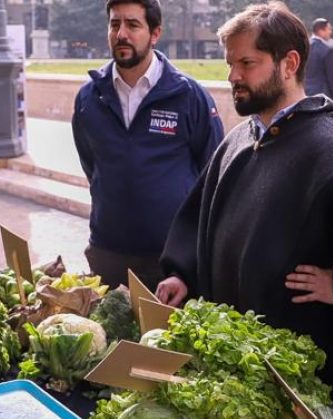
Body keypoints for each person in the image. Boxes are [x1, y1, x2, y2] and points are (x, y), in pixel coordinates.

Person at [156, 2, 333, 417]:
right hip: (236, 376)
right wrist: (182, 273)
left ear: (289, 63)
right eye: (231, 64)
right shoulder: (238, 141)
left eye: (247, 63)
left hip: (299, 390)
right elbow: (200, 220)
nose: (233, 76)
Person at [72, 0, 224, 290]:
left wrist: (191, 254)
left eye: (132, 25)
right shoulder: (89, 98)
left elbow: (213, 175)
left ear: (155, 34)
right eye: (115, 24)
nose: (121, 34)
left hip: (170, 260)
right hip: (107, 254)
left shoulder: (189, 96)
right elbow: (91, 164)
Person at [303, 18, 333, 101]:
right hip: (322, 96)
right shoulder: (326, 50)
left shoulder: (303, 47)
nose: (330, 32)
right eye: (328, 29)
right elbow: (331, 78)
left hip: (304, 94)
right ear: (320, 31)